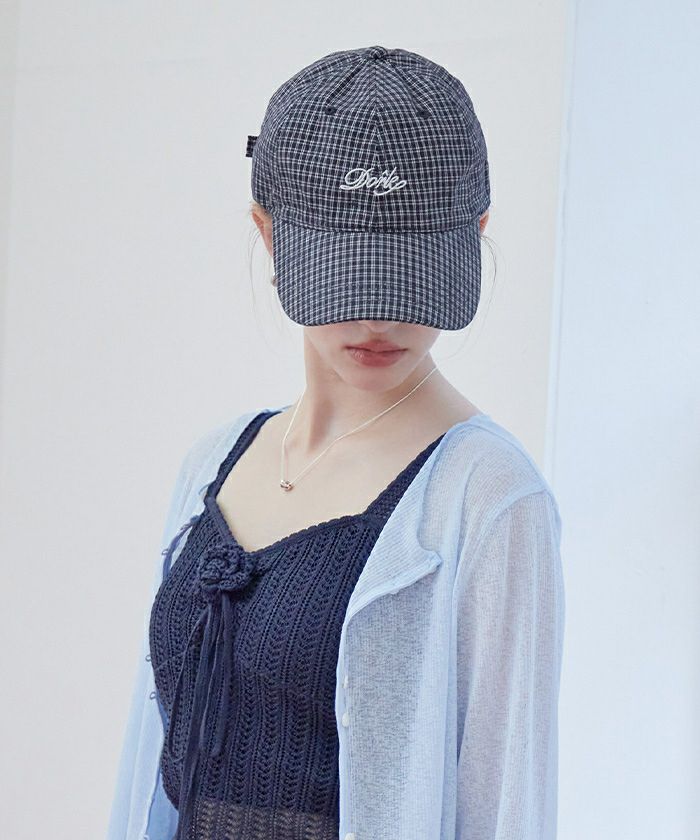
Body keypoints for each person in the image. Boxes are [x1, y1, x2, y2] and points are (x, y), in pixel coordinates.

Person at [107, 45, 565, 840]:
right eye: (347, 277)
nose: (378, 318)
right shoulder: (214, 462)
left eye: (411, 277)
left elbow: (507, 808)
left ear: (475, 235)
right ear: (269, 235)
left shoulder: (489, 496)